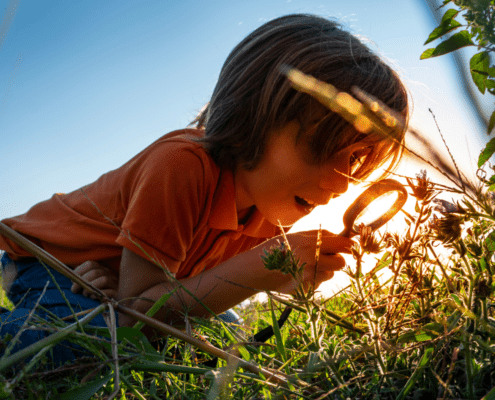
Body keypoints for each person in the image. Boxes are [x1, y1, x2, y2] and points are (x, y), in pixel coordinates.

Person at [0, 13, 409, 366]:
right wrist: (261, 268)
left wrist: (288, 278)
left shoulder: (270, 210)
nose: (341, 181)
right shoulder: (182, 165)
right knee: (83, 348)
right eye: (321, 148)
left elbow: (174, 297)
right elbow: (136, 318)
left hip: (120, 282)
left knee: (230, 349)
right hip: (51, 263)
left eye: (355, 160)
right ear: (253, 114)